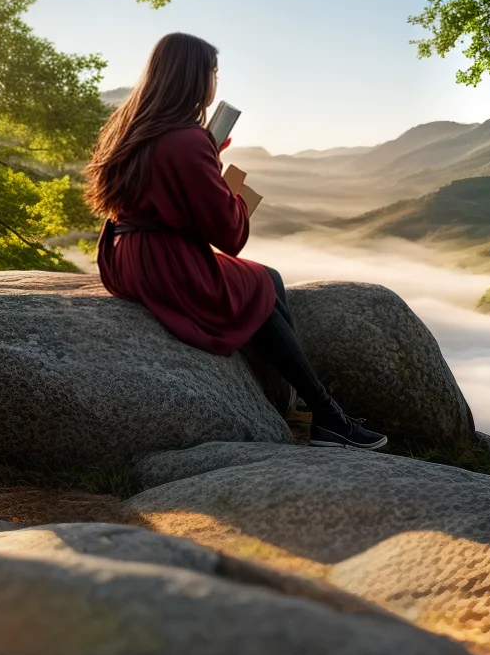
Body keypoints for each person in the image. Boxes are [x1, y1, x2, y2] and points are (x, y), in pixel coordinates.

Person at [86, 31, 388, 450]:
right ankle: (326, 415)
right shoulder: (188, 140)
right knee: (261, 285)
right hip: (165, 263)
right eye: (214, 72)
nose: (216, 80)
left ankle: (311, 409)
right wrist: (236, 195)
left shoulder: (130, 127)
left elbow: (163, 193)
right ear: (197, 77)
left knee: (267, 278)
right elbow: (230, 235)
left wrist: (208, 155)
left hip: (124, 257)